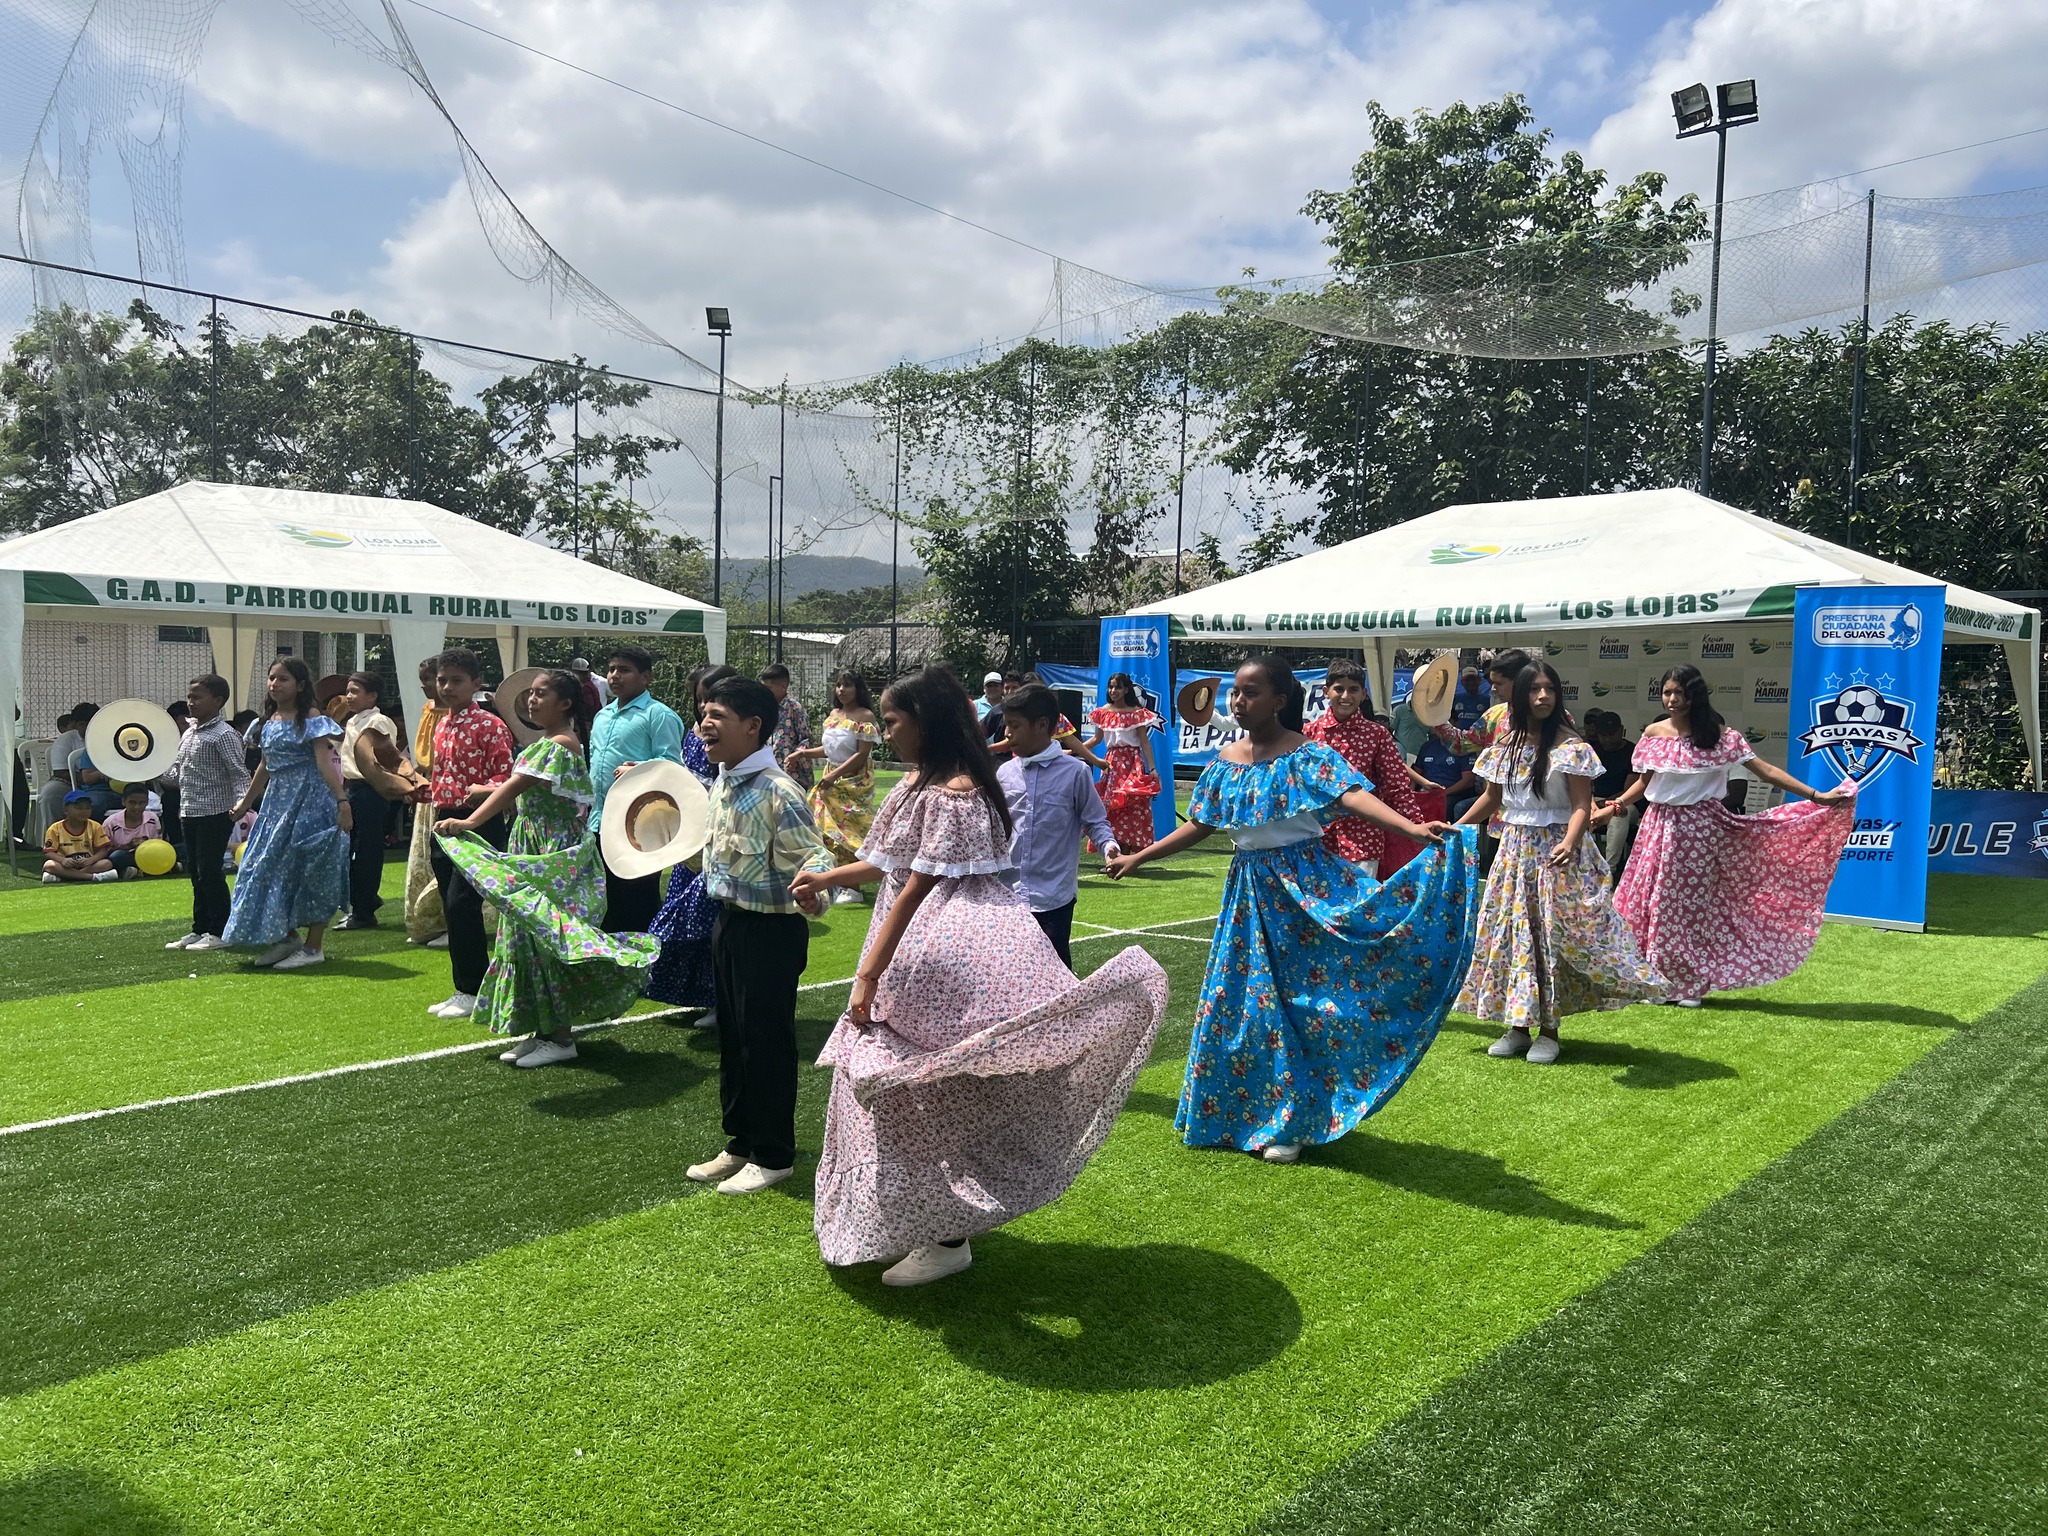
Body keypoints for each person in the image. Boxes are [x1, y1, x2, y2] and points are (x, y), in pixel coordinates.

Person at [794, 667, 1168, 1287]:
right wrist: (827, 879)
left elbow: (919, 885)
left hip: (942, 953)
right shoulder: (918, 782)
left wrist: (867, 974)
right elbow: (888, 864)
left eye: (893, 722)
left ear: (927, 722)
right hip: (915, 952)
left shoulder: (958, 791)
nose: (885, 734)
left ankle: (948, 1236)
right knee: (905, 1092)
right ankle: (926, 1225)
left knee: (933, 1088)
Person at [1106, 655, 1477, 1163]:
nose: (1238, 701)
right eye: (1235, 692)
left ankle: (1292, 1119)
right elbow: (1200, 825)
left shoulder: (1308, 756)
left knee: (1308, 1003)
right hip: (1249, 894)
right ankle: (1238, 1113)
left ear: (1280, 700)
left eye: (1251, 692)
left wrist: (1412, 829)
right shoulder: (1224, 762)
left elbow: (1352, 796)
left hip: (1306, 887)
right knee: (1244, 1004)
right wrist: (1139, 857)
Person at [1593, 664, 1856, 1007]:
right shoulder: (1653, 734)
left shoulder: (1721, 736)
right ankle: (1652, 978)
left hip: (1699, 829)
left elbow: (1766, 771)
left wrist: (1817, 796)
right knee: (1646, 901)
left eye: (1680, 692)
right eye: (1667, 692)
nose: (1672, 699)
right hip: (1656, 826)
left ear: (1695, 695)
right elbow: (1644, 783)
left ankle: (1687, 984)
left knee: (1687, 908)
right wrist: (1613, 807)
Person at [434, 670, 660, 1069]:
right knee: (527, 936)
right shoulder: (548, 742)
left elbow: (515, 785)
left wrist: (471, 820)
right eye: (531, 694)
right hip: (535, 842)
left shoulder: (559, 744)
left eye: (541, 694)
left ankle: (561, 1037)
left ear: (565, 704)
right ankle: (543, 1030)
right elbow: (522, 786)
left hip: (551, 849)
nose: (532, 700)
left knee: (548, 938)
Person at [1454, 662, 1665, 1063]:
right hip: (1514, 852)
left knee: (1551, 937)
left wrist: (1569, 841)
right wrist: (1455, 827)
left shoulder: (1572, 747)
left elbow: (1582, 805)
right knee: (1515, 935)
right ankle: (1518, 1026)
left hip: (1556, 853)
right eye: (1535, 689)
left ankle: (1549, 1030)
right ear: (1520, 696)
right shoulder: (1504, 747)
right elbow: (1492, 799)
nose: (1543, 696)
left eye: (1550, 689)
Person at [683, 675, 835, 1198]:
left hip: (770, 932)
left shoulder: (779, 791)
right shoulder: (724, 782)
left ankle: (773, 1155)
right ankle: (741, 1142)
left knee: (766, 1042)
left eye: (717, 716)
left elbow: (814, 857)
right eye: (704, 713)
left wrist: (815, 894)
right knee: (733, 1039)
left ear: (753, 726)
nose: (705, 723)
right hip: (729, 924)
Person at [223, 658, 351, 970]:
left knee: (312, 870)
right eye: (272, 678)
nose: (274, 684)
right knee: (262, 866)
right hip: (276, 804)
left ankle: (313, 947)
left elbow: (323, 762)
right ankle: (288, 937)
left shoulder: (311, 717)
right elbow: (264, 766)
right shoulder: (268, 720)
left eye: (283, 679)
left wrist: (342, 801)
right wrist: (245, 804)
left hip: (310, 801)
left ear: (300, 685)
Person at [996, 682, 1118, 967]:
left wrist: (1109, 846)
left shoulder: (1075, 773)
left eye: (1015, 725)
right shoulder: (1004, 773)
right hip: (1007, 894)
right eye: (1006, 725)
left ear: (1041, 725)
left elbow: (1095, 820)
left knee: (1055, 972)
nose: (1007, 733)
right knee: (1007, 972)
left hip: (1052, 897)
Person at [426, 648, 515, 1016]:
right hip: (443, 820)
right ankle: (464, 986)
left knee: (462, 903)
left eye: (456, 680)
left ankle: (474, 988)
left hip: (478, 820)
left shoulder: (490, 725)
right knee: (452, 906)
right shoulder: (442, 724)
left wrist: (481, 793)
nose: (447, 687)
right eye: (442, 680)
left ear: (476, 683)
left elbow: (507, 777)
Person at [645, 663, 735, 1021]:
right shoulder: (692, 733)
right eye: (699, 699)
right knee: (689, 922)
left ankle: (720, 1001)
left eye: (711, 699)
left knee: (706, 921)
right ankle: (704, 996)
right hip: (689, 842)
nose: (703, 707)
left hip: (712, 840)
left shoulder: (731, 739)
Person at [589, 644, 685, 935]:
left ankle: (645, 957)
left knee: (637, 900)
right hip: (600, 821)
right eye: (611, 669)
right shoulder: (602, 716)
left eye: (624, 670)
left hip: (637, 825)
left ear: (646, 677)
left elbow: (672, 765)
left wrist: (639, 770)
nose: (615, 675)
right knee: (605, 898)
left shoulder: (658, 715)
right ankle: (611, 958)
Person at [1304, 658, 1430, 877]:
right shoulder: (1308, 734)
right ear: (1326, 692)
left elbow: (1396, 787)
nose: (1346, 696)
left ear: (1363, 694)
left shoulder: (1377, 735)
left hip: (1363, 838)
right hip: (1314, 839)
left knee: (1362, 898)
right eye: (1339, 689)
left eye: (1353, 690)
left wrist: (1417, 825)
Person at [163, 673, 250, 951]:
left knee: (210, 871)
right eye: (190, 696)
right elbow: (178, 771)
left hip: (216, 812)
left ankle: (220, 930)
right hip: (189, 811)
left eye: (197, 697)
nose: (191, 702)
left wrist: (242, 804)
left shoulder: (224, 734)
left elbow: (239, 773)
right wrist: (149, 769)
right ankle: (200, 928)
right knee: (196, 872)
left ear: (218, 700)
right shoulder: (189, 732)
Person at [794, 670, 881, 905]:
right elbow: (829, 750)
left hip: (853, 783)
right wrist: (802, 754)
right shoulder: (834, 715)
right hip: (831, 780)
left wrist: (835, 775)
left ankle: (854, 887)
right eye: (839, 685)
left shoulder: (865, 716)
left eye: (847, 685)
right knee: (826, 832)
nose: (841, 690)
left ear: (858, 689)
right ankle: (839, 881)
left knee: (847, 833)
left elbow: (861, 755)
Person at [336, 671, 400, 930]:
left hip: (370, 789)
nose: (348, 696)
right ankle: (362, 903)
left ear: (372, 696)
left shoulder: (378, 721)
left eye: (355, 691)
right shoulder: (353, 721)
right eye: (348, 691)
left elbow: (383, 758)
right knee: (352, 849)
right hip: (353, 788)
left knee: (365, 851)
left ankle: (364, 911)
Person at [1086, 671, 1164, 854]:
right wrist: (1074, 749)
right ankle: (1114, 851)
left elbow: (1144, 741)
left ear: (1127, 690)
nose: (1113, 691)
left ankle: (1127, 850)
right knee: (1111, 805)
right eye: (1111, 687)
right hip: (1112, 764)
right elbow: (1097, 739)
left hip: (1132, 763)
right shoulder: (1103, 712)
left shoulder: (1137, 713)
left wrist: (1152, 768)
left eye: (1118, 687)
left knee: (1132, 804)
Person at [404, 657, 448, 947]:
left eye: (431, 680)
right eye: (423, 681)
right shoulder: (428, 709)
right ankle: (427, 922)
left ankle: (447, 921)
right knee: (424, 856)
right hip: (429, 786)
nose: (426, 687)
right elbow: (424, 755)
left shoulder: (452, 715)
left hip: (447, 788)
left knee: (442, 858)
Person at [1585, 709, 1639, 874]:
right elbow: (1584, 784)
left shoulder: (1632, 751)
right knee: (1578, 812)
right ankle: (1584, 866)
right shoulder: (1591, 750)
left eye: (1611, 734)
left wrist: (1606, 804)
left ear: (1621, 730)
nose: (1607, 739)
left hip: (1626, 802)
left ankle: (1608, 870)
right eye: (1603, 735)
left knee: (1618, 814)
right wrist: (1592, 803)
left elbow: (1629, 790)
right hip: (1594, 801)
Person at [762, 663, 816, 792]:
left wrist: (795, 757)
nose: (765, 692)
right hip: (770, 771)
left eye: (769, 688)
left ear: (783, 686)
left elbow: (806, 739)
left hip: (791, 774)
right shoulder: (765, 708)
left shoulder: (794, 708)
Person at [42, 791, 116, 882]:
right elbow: (49, 852)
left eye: (88, 808)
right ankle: (92, 877)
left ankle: (64, 877)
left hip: (87, 865)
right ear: (66, 810)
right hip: (66, 865)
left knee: (106, 864)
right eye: (79, 808)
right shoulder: (55, 828)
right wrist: (62, 860)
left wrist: (91, 860)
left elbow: (103, 849)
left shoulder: (95, 826)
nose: (84, 811)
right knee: (49, 865)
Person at [101, 784, 165, 879]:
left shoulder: (152, 818)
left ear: (147, 802)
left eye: (141, 803)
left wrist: (145, 844)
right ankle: (152, 870)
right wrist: (129, 845)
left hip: (148, 855)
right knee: (117, 856)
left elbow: (158, 843)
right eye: (132, 802)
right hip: (125, 855)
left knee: (180, 849)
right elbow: (105, 851)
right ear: (124, 801)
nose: (137, 807)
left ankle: (137, 871)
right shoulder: (111, 822)